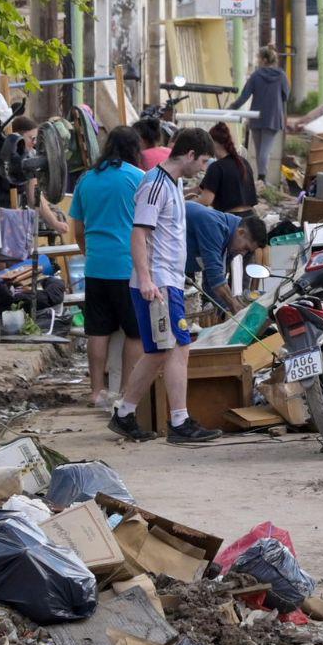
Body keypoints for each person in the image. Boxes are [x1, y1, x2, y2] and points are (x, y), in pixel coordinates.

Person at [108, 127, 222, 444]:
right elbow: (139, 234)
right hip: (157, 282)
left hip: (166, 280)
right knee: (169, 347)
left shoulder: (171, 183)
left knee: (167, 348)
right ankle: (174, 420)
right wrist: (145, 278)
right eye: (202, 161)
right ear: (188, 155)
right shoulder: (155, 185)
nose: (203, 168)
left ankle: (131, 413)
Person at [70, 126, 146, 409]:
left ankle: (96, 392)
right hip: (128, 266)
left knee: (98, 331)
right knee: (135, 331)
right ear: (134, 150)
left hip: (96, 265)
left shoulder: (86, 180)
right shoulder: (138, 178)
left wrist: (88, 253)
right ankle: (126, 391)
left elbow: (77, 228)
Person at [185, 201, 267, 314]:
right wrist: (234, 307)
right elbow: (215, 277)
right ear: (241, 232)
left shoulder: (228, 240)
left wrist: (227, 309)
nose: (242, 254)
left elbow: (210, 286)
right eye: (245, 248)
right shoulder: (214, 226)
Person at [230, 45, 289, 183]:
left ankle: (261, 178)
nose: (257, 61)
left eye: (258, 58)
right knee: (265, 150)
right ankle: (262, 178)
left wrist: (231, 108)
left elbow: (244, 96)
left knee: (258, 150)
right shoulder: (281, 76)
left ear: (263, 59)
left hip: (256, 116)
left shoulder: (256, 76)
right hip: (274, 117)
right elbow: (286, 96)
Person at [2, 117, 69, 234]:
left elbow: (35, 196)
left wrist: (55, 222)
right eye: (31, 138)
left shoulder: (31, 155)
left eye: (36, 139)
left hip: (13, 219)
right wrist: (55, 223)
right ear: (18, 137)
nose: (34, 143)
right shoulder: (2, 154)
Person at [193, 122, 258, 215]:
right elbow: (201, 189)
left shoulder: (216, 167)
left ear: (213, 143)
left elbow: (206, 200)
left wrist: (185, 204)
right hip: (251, 217)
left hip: (231, 219)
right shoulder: (243, 162)